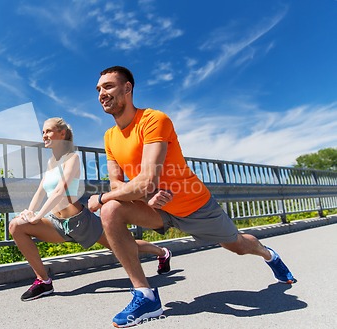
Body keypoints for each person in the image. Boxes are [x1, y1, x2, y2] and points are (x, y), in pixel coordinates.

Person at [88, 66, 296, 328]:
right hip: (157, 208)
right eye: (98, 89)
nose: (101, 94)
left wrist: (107, 196)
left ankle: (269, 255)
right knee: (111, 211)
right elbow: (117, 181)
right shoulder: (109, 136)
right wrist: (139, 199)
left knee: (239, 246)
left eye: (108, 87)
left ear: (127, 88)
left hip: (193, 205)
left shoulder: (153, 119)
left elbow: (147, 179)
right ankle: (145, 295)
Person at [9, 117, 172, 302]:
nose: (44, 135)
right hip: (56, 223)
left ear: (62, 134)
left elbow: (60, 189)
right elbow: (41, 190)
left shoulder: (73, 158)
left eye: (48, 131)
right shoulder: (50, 163)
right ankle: (43, 281)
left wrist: (38, 215)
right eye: (43, 132)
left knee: (127, 247)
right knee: (16, 226)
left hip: (81, 222)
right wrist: (29, 211)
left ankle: (162, 252)